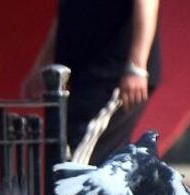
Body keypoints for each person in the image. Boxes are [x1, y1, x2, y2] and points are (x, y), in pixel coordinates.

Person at [23, 0, 162, 166]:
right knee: (91, 166)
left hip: (111, 75)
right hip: (80, 75)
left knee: (73, 168)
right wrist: (44, 63)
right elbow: (66, 12)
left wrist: (137, 66)